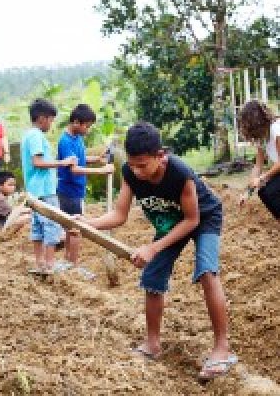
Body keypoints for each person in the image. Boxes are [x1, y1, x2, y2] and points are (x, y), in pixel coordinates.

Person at [80, 122, 236, 380]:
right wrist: (87, 224)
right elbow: (119, 215)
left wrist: (153, 247)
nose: (137, 171)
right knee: (152, 278)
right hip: (171, 221)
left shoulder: (179, 173)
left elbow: (192, 220)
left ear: (160, 156)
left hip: (202, 217)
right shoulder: (131, 173)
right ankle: (152, 344)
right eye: (132, 164)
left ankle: (222, 348)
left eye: (143, 165)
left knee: (207, 271)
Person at [21, 98, 77, 274]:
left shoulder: (28, 135)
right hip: (44, 190)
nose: (51, 124)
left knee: (38, 227)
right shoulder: (36, 136)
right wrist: (63, 163)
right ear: (42, 118)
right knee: (52, 226)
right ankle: (50, 264)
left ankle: (39, 263)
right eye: (51, 119)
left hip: (34, 190)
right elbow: (38, 162)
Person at [57, 103, 114, 265]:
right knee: (75, 229)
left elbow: (79, 159)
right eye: (86, 126)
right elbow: (74, 169)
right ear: (76, 122)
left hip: (76, 190)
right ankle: (72, 264)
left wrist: (96, 160)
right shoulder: (66, 141)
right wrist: (102, 171)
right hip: (69, 191)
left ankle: (68, 263)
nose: (87, 130)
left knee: (71, 227)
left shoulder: (77, 138)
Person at [238, 100, 280, 220]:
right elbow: (258, 166)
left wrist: (262, 178)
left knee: (271, 190)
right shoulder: (262, 137)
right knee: (263, 191)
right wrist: (248, 191)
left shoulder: (276, 129)